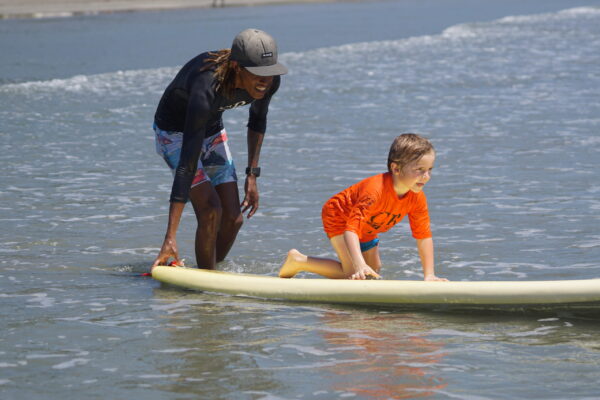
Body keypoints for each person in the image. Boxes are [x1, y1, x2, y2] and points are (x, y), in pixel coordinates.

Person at [151, 29, 287, 270]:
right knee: (211, 209)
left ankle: (210, 271)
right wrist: (169, 237)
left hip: (211, 129)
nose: (265, 82)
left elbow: (257, 121)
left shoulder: (269, 81)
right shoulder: (207, 86)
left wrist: (252, 175)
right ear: (236, 67)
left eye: (269, 73)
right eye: (258, 74)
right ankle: (203, 278)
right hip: (174, 133)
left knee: (234, 219)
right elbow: (187, 165)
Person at [279, 133, 448, 281]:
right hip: (339, 215)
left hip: (367, 225)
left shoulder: (417, 197)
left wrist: (429, 275)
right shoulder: (375, 191)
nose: (426, 177)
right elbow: (351, 230)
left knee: (373, 271)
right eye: (419, 170)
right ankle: (298, 260)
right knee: (352, 273)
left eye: (429, 170)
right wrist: (359, 265)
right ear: (395, 168)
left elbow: (423, 236)